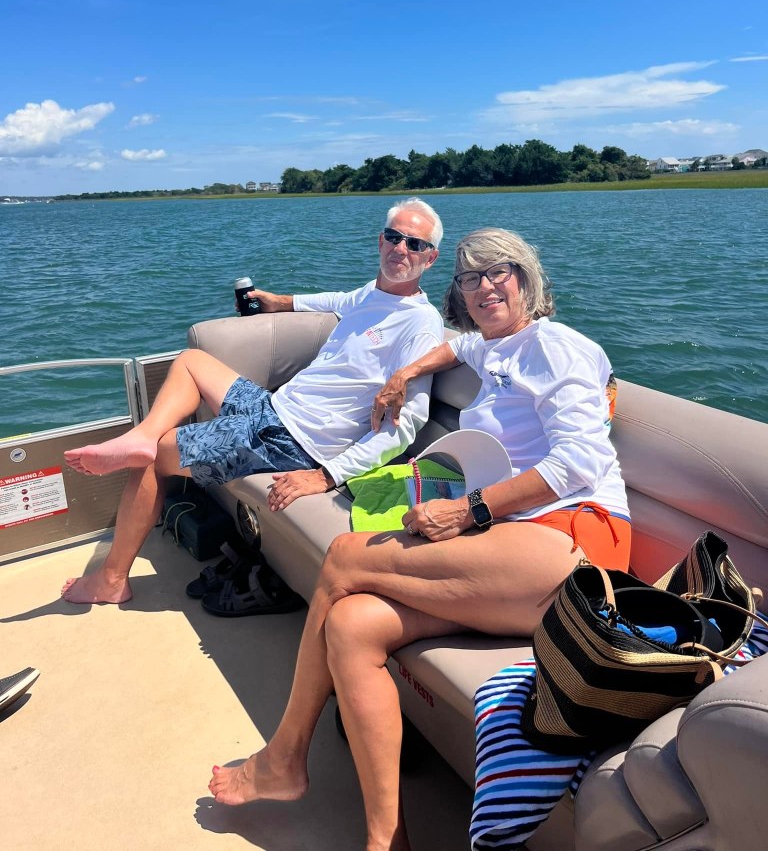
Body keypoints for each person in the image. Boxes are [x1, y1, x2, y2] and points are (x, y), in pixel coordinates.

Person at [207, 227, 630, 851]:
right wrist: (405, 371)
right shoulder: (493, 346)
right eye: (470, 277)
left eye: (500, 272)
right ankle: (387, 840)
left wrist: (469, 510)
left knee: (345, 556)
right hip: (511, 552)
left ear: (528, 279)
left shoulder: (558, 346)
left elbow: (579, 463)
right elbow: (456, 347)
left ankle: (284, 755)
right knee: (352, 624)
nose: (485, 287)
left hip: (574, 542)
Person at [61, 198, 443, 605]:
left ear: (430, 258)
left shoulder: (421, 323)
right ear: (380, 241)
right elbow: (336, 300)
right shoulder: (370, 294)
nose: (401, 248)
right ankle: (142, 434)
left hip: (295, 440)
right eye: (394, 237)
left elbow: (408, 423)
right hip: (274, 408)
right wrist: (280, 301)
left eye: (415, 244)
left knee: (158, 455)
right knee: (191, 361)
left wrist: (328, 475)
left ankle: (112, 580)